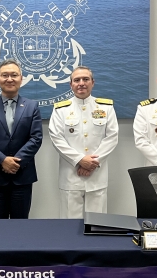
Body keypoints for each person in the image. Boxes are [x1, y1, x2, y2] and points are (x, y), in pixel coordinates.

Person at [48, 66, 119, 218]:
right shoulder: (61, 109)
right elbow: (56, 138)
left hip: (97, 175)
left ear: (93, 82)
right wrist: (80, 160)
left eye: (86, 79)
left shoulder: (106, 107)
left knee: (98, 224)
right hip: (70, 176)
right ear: (71, 84)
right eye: (77, 80)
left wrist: (92, 162)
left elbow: (112, 137)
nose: (81, 83)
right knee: (69, 226)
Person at [0, 59, 43, 219]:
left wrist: (15, 163)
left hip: (23, 176)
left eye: (14, 75)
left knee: (21, 225)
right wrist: (2, 160)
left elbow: (36, 138)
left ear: (21, 78)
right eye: (5, 75)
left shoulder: (32, 106)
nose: (9, 79)